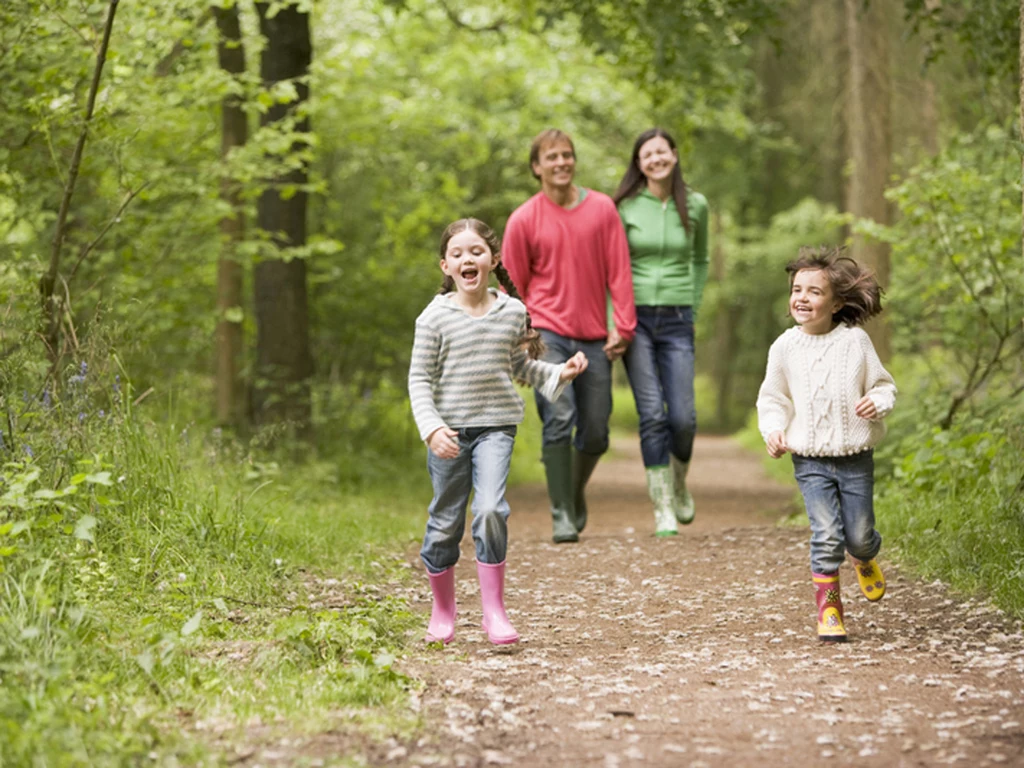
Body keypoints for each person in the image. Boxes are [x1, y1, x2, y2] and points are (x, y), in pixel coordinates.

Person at [408, 218, 588, 646]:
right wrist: (432, 429)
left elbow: (519, 366)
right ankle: (443, 611)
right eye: (457, 254)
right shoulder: (433, 318)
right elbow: (418, 379)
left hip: (496, 428)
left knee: (490, 510)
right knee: (445, 523)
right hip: (448, 433)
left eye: (476, 251)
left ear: (491, 260)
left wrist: (559, 373)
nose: (467, 259)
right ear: (445, 266)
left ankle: (494, 612)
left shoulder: (511, 311)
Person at [503, 128, 637, 544]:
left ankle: (572, 491)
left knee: (596, 429)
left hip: (595, 335)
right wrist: (521, 340)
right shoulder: (524, 219)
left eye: (567, 155)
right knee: (559, 418)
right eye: (552, 157)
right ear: (536, 167)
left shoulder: (601, 209)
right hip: (547, 335)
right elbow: (512, 287)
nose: (561, 162)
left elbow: (619, 270)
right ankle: (561, 511)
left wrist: (624, 326)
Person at [756, 246, 896, 643]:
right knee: (826, 534)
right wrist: (773, 429)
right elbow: (773, 398)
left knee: (859, 535)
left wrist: (878, 403)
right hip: (809, 459)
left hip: (855, 458)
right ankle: (829, 607)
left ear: (836, 303)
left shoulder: (855, 342)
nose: (802, 297)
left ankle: (865, 556)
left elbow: (884, 385)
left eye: (814, 291)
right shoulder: (784, 347)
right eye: (797, 289)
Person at [612, 128, 709, 537]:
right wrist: (614, 320)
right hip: (635, 321)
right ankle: (662, 507)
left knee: (683, 418)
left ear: (674, 155)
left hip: (677, 318)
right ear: (638, 163)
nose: (655, 159)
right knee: (652, 414)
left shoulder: (697, 205)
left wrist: (693, 302)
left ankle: (679, 481)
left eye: (661, 151)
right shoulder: (626, 208)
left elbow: (701, 259)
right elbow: (612, 267)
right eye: (646, 154)